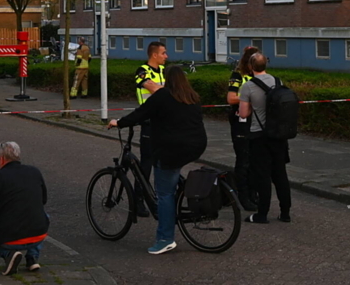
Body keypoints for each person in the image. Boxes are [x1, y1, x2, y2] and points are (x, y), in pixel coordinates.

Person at [108, 66, 207, 255]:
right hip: (196, 146)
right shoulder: (192, 96)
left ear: (167, 80)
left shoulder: (162, 96)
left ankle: (165, 239)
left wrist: (118, 122)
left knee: (164, 194)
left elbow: (140, 113)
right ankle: (179, 196)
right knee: (172, 174)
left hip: (172, 149)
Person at [238, 52, 291, 224]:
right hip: (279, 135)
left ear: (250, 67)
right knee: (280, 174)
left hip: (259, 135)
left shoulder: (248, 86)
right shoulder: (278, 81)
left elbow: (244, 113)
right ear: (265, 65)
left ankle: (262, 214)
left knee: (263, 176)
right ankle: (285, 213)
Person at [0, 141, 49, 276]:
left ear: (1, 159)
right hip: (37, 235)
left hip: (10, 239)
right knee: (43, 216)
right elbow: (43, 200)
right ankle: (32, 257)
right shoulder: (34, 172)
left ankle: (8, 254)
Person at [133, 42, 167, 208]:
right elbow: (152, 89)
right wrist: (167, 90)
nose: (166, 56)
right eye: (163, 53)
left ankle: (161, 197)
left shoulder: (164, 70)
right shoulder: (142, 71)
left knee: (164, 162)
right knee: (146, 163)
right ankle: (138, 199)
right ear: (154, 55)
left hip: (164, 122)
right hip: (148, 122)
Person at [227, 46, 259, 211]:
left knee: (255, 160)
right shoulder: (237, 76)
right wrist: (249, 98)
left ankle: (254, 193)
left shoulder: (259, 76)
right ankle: (243, 196)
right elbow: (231, 98)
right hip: (241, 122)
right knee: (243, 160)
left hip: (257, 122)